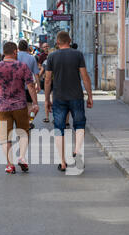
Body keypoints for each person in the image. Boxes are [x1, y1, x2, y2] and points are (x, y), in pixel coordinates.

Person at [45, 31, 93, 172]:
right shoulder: (77, 54)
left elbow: (48, 80)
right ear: (70, 40)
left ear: (57, 42)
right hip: (76, 96)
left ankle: (63, 162)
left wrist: (47, 99)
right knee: (79, 125)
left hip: (59, 97)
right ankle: (77, 151)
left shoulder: (52, 56)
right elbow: (85, 77)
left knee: (59, 129)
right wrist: (90, 96)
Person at [0, 42, 39, 174]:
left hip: (3, 107)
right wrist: (35, 103)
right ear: (15, 52)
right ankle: (21, 157)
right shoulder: (22, 66)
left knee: (5, 137)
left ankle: (10, 164)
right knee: (23, 133)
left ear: (4, 52)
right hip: (20, 105)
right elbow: (31, 85)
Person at [17, 40, 40, 130]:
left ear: (18, 47)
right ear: (27, 47)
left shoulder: (15, 56)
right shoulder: (31, 58)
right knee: (30, 106)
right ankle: (29, 121)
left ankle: (21, 122)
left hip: (17, 86)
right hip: (28, 86)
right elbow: (36, 73)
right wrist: (38, 84)